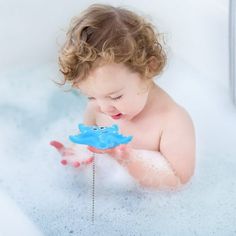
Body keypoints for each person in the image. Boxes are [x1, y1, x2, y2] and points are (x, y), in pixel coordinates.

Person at [50, 4, 195, 190]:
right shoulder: (98, 107)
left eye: (115, 97)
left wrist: (127, 159)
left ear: (149, 68)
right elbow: (88, 142)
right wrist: (79, 154)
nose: (103, 108)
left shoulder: (173, 122)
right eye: (91, 97)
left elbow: (179, 182)